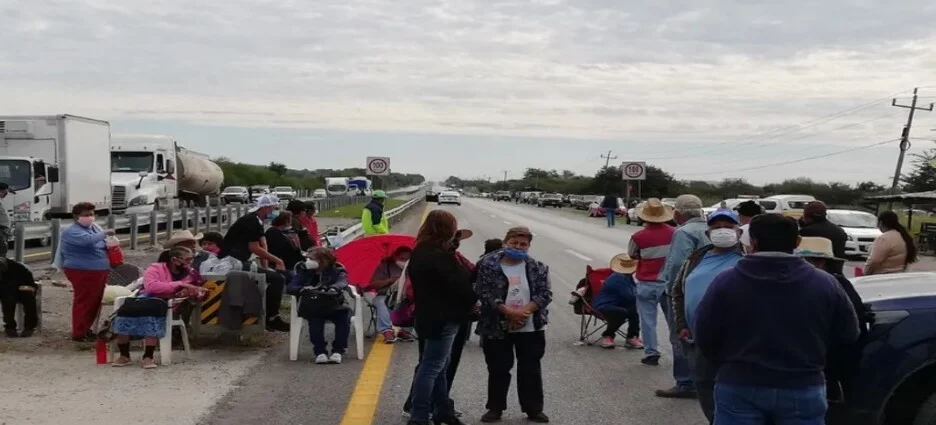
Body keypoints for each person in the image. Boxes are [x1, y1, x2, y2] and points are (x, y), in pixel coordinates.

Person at [694, 214, 860, 425]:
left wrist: (729, 363)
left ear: (752, 242)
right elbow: (847, 334)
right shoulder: (825, 284)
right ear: (797, 242)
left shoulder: (726, 281)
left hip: (739, 384)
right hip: (803, 386)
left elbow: (704, 333)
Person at [670, 209, 745, 422]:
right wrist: (681, 324)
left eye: (728, 227)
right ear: (708, 231)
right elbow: (678, 291)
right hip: (697, 339)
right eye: (716, 226)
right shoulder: (697, 257)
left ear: (738, 231)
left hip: (734, 340)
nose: (722, 231)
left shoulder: (747, 258)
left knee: (733, 389)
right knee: (703, 384)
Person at [405, 210, 476, 425]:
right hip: (444, 317)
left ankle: (443, 410)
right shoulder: (440, 257)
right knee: (431, 366)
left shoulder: (419, 251)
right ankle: (419, 414)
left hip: (426, 314)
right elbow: (461, 285)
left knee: (440, 365)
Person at [476, 226, 552, 423]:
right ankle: (495, 408)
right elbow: (484, 293)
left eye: (523, 244)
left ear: (529, 246)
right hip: (496, 325)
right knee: (498, 367)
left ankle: (533, 409)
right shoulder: (488, 264)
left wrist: (523, 312)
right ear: (505, 242)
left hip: (531, 326)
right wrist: (508, 312)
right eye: (514, 243)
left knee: (530, 368)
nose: (518, 247)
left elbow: (545, 294)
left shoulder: (537, 266)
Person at [795, 236, 869, 408]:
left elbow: (852, 329)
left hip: (824, 366)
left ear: (824, 262)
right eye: (805, 259)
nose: (809, 264)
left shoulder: (836, 285)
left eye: (814, 260)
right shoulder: (833, 283)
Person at [111, 247, 207, 368]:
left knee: (151, 314)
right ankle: (124, 355)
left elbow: (195, 289)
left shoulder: (191, 273)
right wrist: (179, 284)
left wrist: (193, 292)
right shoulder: (155, 268)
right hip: (145, 297)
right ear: (174, 260)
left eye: (191, 259)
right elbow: (151, 287)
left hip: (168, 303)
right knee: (123, 313)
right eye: (187, 259)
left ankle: (148, 356)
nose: (190, 263)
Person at [656, 194, 709, 398]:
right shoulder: (710, 229)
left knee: (680, 335)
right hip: (704, 291)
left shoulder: (684, 232)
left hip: (684, 293)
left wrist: (671, 291)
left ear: (677, 214)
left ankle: (686, 382)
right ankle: (703, 379)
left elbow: (678, 264)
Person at [220, 194, 289, 332]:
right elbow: (254, 248)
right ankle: (271, 317)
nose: (275, 212)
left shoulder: (256, 221)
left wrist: (266, 267)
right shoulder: (251, 221)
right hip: (232, 263)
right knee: (278, 279)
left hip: (239, 261)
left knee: (272, 277)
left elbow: (262, 244)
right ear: (265, 208)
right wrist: (277, 261)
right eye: (274, 208)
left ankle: (269, 315)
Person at [627, 198, 676, 367]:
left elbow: (633, 255)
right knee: (673, 321)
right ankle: (679, 351)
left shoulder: (638, 236)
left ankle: (651, 352)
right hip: (668, 283)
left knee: (648, 321)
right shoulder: (675, 233)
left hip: (646, 282)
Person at [287, 247, 352, 364]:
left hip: (334, 304)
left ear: (323, 260)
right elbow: (291, 287)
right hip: (313, 305)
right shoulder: (304, 271)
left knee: (343, 318)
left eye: (312, 259)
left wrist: (333, 288)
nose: (308, 261)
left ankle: (338, 351)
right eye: (308, 258)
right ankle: (320, 351)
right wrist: (303, 289)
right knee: (315, 320)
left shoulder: (337, 270)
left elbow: (342, 282)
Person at [60, 202, 115, 341]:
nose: (90, 217)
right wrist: (105, 233)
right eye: (86, 215)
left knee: (93, 302)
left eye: (91, 214)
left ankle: (86, 329)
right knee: (84, 301)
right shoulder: (72, 231)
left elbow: (101, 243)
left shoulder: (94, 228)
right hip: (82, 270)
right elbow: (88, 241)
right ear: (76, 216)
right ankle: (79, 333)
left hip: (98, 270)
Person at [593, 253, 642, 350]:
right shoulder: (617, 278)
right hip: (606, 305)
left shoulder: (628, 277)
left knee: (635, 308)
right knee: (622, 312)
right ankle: (608, 335)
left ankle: (632, 336)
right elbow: (629, 295)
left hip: (619, 303)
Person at [367, 246, 416, 343]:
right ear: (395, 257)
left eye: (407, 259)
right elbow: (373, 285)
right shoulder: (385, 266)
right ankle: (387, 330)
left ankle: (403, 330)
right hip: (385, 295)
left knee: (410, 305)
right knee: (382, 303)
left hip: (404, 296)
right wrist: (389, 281)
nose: (404, 261)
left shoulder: (412, 267)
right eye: (402, 259)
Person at [798, 201, 848, 275]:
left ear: (808, 215)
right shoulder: (839, 231)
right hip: (836, 273)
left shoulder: (807, 231)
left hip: (814, 274)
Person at [865, 210, 918, 275]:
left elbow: (874, 261)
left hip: (882, 276)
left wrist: (866, 274)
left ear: (881, 223)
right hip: (898, 274)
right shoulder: (902, 236)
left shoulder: (883, 239)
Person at [0, 258, 39, 338]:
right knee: (8, 298)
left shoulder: (19, 268)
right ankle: (10, 326)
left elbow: (31, 285)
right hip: (6, 290)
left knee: (28, 298)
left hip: (22, 287)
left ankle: (29, 326)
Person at [0, 182, 11, 257]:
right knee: (2, 248)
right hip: (1, 227)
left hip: (4, 227)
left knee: (3, 247)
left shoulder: (1, 200)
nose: (6, 194)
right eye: (5, 192)